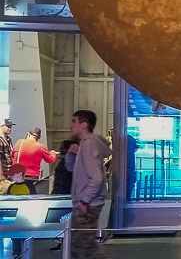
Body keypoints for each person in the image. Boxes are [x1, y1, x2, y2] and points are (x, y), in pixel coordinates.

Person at [70, 110, 111, 259]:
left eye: (74, 121)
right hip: (88, 202)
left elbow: (96, 178)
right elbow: (72, 169)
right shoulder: (86, 144)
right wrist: (70, 155)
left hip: (87, 204)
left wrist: (84, 200)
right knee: (79, 244)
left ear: (84, 125)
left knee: (86, 247)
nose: (71, 125)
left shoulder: (88, 144)